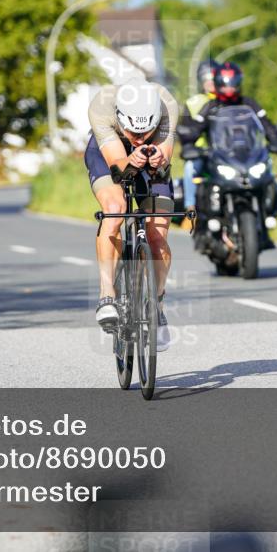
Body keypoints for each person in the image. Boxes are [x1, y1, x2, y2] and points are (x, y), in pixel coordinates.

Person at [85, 79, 179, 352]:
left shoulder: (167, 105)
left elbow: (163, 165)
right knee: (114, 210)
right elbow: (117, 167)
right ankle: (107, 295)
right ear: (120, 118)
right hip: (108, 155)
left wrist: (157, 157)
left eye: (145, 133)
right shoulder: (101, 107)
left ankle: (157, 307)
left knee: (157, 233)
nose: (139, 139)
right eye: (134, 134)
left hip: (152, 161)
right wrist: (130, 158)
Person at [180, 61, 277, 154]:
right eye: (224, 84)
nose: (229, 88)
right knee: (194, 171)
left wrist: (276, 139)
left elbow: (265, 124)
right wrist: (188, 143)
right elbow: (196, 127)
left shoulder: (248, 103)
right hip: (216, 155)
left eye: (232, 83)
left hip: (250, 155)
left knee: (270, 176)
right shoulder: (209, 106)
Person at [181, 60, 219, 223]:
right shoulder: (193, 103)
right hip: (202, 153)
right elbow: (185, 132)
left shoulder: (230, 100)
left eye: (213, 77)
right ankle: (191, 210)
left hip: (226, 152)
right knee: (190, 169)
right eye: (206, 78)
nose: (210, 82)